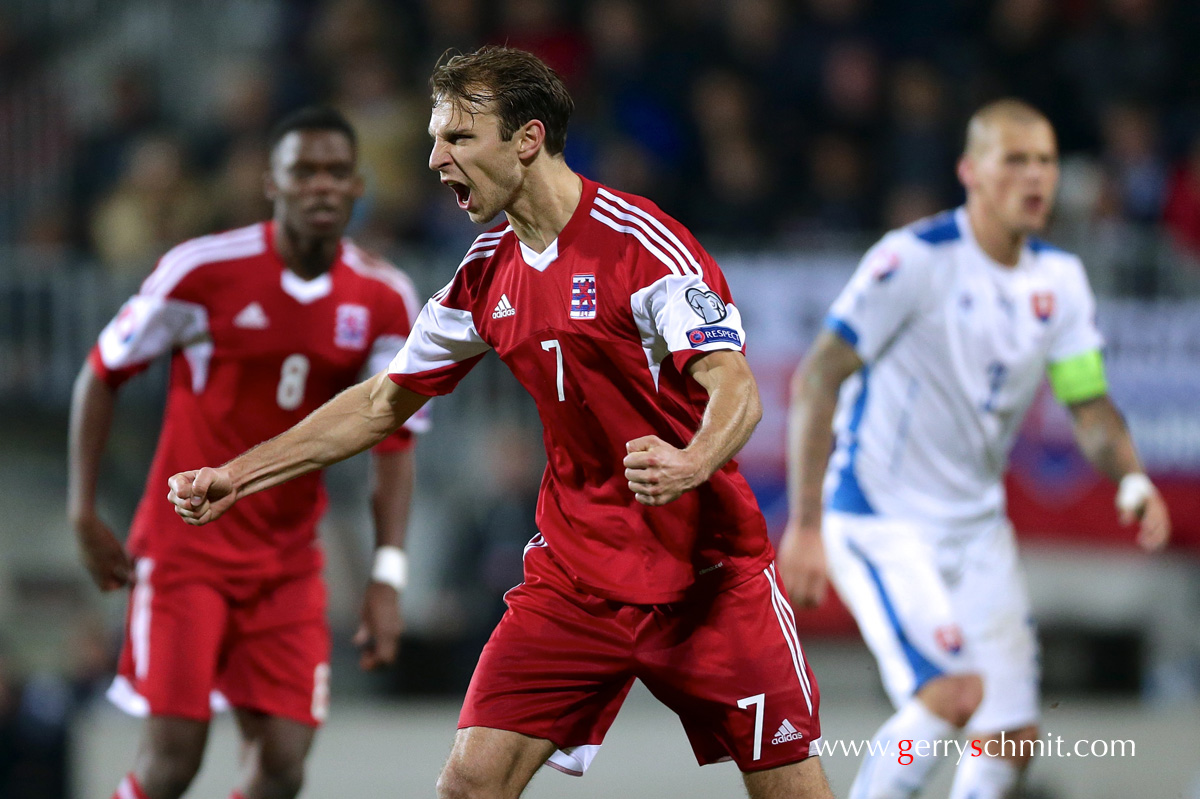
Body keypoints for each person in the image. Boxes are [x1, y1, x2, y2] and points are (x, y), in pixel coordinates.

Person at [166, 47, 834, 799]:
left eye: (457, 139)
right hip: (576, 578)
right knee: (469, 784)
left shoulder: (642, 249)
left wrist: (691, 460)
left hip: (708, 577)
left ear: (528, 138)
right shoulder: (484, 276)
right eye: (433, 138)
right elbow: (382, 400)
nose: (434, 158)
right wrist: (238, 473)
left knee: (792, 791)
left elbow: (736, 388)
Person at [779, 99, 1172, 799]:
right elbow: (817, 377)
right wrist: (806, 522)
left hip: (977, 531)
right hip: (882, 519)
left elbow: (1087, 404)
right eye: (1014, 159)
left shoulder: (1061, 282)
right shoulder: (913, 260)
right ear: (970, 171)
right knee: (953, 692)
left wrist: (1133, 477)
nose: (1035, 176)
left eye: (1046, 160)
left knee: (1012, 732)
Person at [68, 106, 425, 799]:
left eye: (335, 172)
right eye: (303, 171)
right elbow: (101, 371)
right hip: (185, 550)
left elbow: (396, 440)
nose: (320, 185)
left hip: (287, 561)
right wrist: (83, 512)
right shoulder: (201, 270)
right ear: (273, 183)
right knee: (174, 760)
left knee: (284, 764)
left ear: (358, 186)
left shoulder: (385, 298)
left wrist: (386, 577)